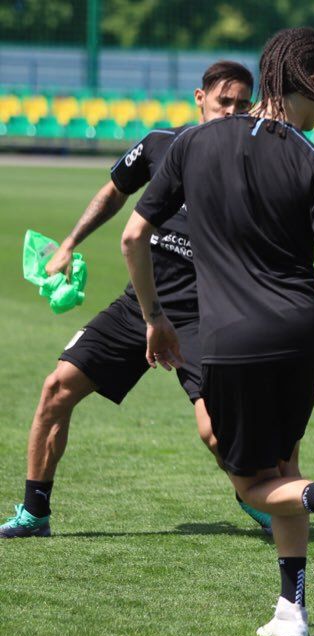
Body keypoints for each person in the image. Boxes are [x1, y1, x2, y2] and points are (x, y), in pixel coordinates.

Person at [122, 27, 314, 636]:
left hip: (231, 339)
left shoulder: (192, 145)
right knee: (285, 467)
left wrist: (154, 318)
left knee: (255, 485)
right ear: (306, 84)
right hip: (303, 339)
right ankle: (293, 609)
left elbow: (132, 238)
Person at [0, 61, 273, 539]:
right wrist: (68, 244)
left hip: (204, 315)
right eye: (222, 101)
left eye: (240, 104)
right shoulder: (160, 144)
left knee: (214, 432)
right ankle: (33, 513)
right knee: (55, 389)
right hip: (140, 305)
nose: (231, 111)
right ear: (199, 98)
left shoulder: (253, 164)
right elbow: (113, 193)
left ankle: (259, 498)